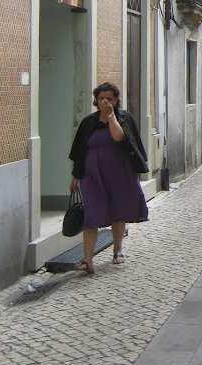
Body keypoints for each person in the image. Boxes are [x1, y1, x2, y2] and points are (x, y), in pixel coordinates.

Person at [68, 82, 148, 274]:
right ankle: (87, 259)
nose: (105, 101)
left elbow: (119, 138)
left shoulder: (124, 119)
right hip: (92, 174)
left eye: (109, 99)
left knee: (118, 210)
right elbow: (80, 151)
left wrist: (111, 116)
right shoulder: (88, 122)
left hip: (119, 172)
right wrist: (75, 176)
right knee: (91, 214)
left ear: (116, 100)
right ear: (95, 100)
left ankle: (118, 250)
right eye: (101, 98)